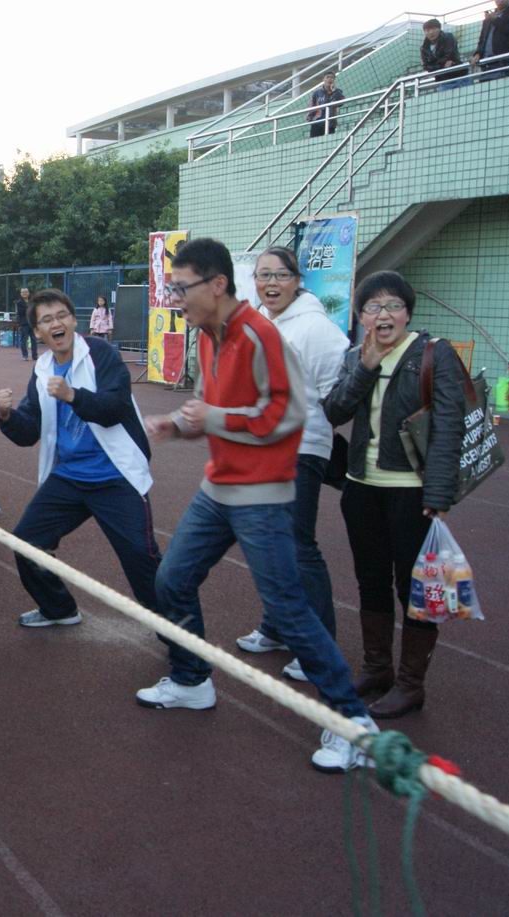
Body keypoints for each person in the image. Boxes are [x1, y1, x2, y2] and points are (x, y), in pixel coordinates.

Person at [138, 238, 376, 773]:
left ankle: (354, 723)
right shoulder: (206, 337)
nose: (175, 298)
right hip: (218, 488)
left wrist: (212, 420)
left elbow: (289, 416)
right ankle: (192, 680)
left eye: (181, 288)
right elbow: (212, 410)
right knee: (172, 581)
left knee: (288, 608)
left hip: (263, 494)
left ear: (217, 284)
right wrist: (177, 425)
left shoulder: (260, 334)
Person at [322, 271, 467, 719]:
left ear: (407, 312)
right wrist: (365, 368)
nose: (383, 315)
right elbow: (334, 411)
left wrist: (439, 494)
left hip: (412, 493)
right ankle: (377, 667)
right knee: (370, 580)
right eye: (372, 307)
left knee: (414, 588)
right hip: (361, 488)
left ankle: (410, 685)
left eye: (393, 306)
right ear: (361, 316)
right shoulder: (356, 356)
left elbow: (449, 427)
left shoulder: (434, 354)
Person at [0, 289, 160, 628]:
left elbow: (115, 408)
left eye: (62, 316)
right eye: (46, 320)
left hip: (115, 476)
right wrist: (7, 416)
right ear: (37, 332)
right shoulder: (42, 369)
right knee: (27, 543)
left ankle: (185, 651)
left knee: (142, 562)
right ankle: (59, 609)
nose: (56, 324)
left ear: (73, 320)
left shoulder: (101, 354)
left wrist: (72, 395)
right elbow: (29, 432)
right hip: (70, 476)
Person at [237, 247, 348, 682]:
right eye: (263, 275)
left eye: (280, 275)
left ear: (298, 280)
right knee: (271, 543)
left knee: (299, 545)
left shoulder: (316, 328)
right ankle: (279, 626)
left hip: (301, 449)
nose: (271, 283)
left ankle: (319, 646)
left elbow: (339, 394)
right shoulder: (262, 323)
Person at [473, 0, 509, 79]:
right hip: (486, 64)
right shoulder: (489, 17)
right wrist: (478, 53)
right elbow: (482, 39)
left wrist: (495, 19)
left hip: (502, 62)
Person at [307, 72, 345, 138]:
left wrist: (334, 90)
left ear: (334, 80)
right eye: (327, 77)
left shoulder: (337, 91)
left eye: (332, 77)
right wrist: (310, 117)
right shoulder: (317, 92)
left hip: (330, 123)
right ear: (323, 79)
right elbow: (312, 105)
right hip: (317, 122)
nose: (330, 79)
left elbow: (341, 103)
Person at [13, 287, 36, 361]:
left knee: (34, 339)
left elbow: (34, 311)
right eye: (23, 292)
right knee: (24, 340)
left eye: (26, 292)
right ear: (21, 294)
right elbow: (21, 313)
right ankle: (25, 355)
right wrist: (29, 309)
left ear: (28, 293)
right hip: (24, 323)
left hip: (32, 323)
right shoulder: (19, 303)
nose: (24, 293)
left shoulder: (32, 301)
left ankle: (35, 356)